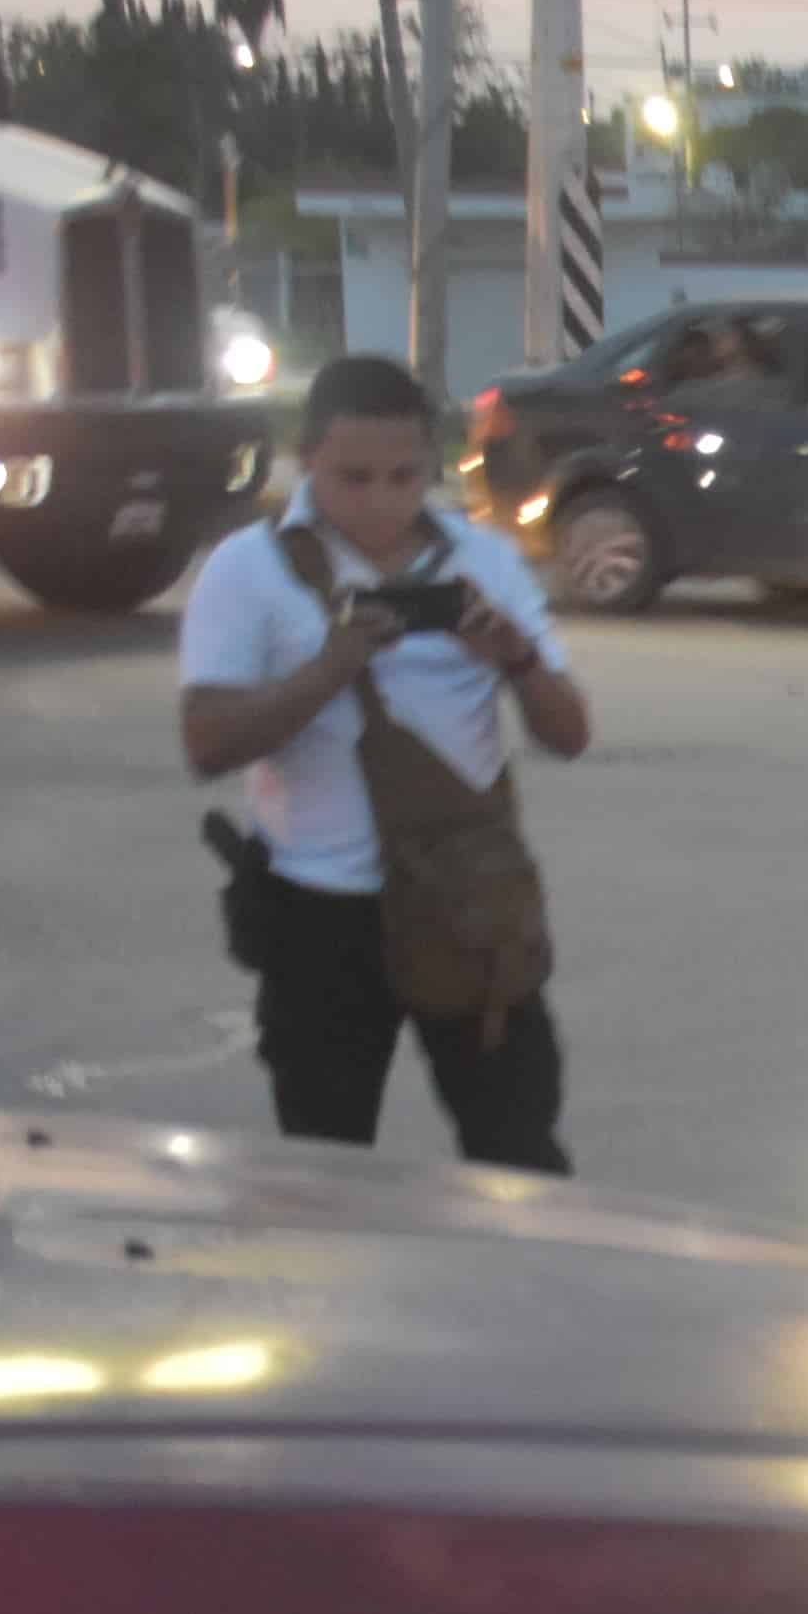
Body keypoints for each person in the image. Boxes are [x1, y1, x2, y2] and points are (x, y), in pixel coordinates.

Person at [174, 353, 588, 1170]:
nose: (381, 502)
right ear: (306, 460)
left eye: (404, 477)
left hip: (468, 905)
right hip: (318, 917)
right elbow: (206, 743)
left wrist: (515, 658)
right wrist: (332, 666)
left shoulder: (487, 560)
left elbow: (569, 734)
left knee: (519, 1160)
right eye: (353, 478)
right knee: (326, 1172)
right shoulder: (247, 571)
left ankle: (521, 1300)